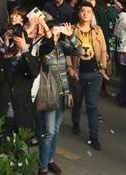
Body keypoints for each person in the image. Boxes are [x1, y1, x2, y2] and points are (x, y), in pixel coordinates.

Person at [37, 18, 82, 175]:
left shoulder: (62, 46)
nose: (58, 31)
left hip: (63, 92)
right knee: (48, 131)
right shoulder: (42, 47)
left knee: (55, 130)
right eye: (54, 29)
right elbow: (46, 58)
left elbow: (79, 52)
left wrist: (71, 36)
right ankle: (42, 166)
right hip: (49, 93)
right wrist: (51, 37)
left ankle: (50, 160)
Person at [67, 2, 108, 150]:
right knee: (77, 102)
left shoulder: (98, 30)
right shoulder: (71, 30)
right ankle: (75, 122)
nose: (85, 13)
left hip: (95, 73)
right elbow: (67, 51)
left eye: (88, 11)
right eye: (82, 11)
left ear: (92, 15)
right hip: (78, 73)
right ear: (79, 13)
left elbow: (103, 49)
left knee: (92, 105)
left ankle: (94, 137)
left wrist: (103, 67)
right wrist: (70, 68)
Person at [0, 22, 40, 134]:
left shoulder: (31, 59)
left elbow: (34, 71)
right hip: (0, 114)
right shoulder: (4, 57)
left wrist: (25, 49)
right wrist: (5, 45)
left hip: (21, 116)